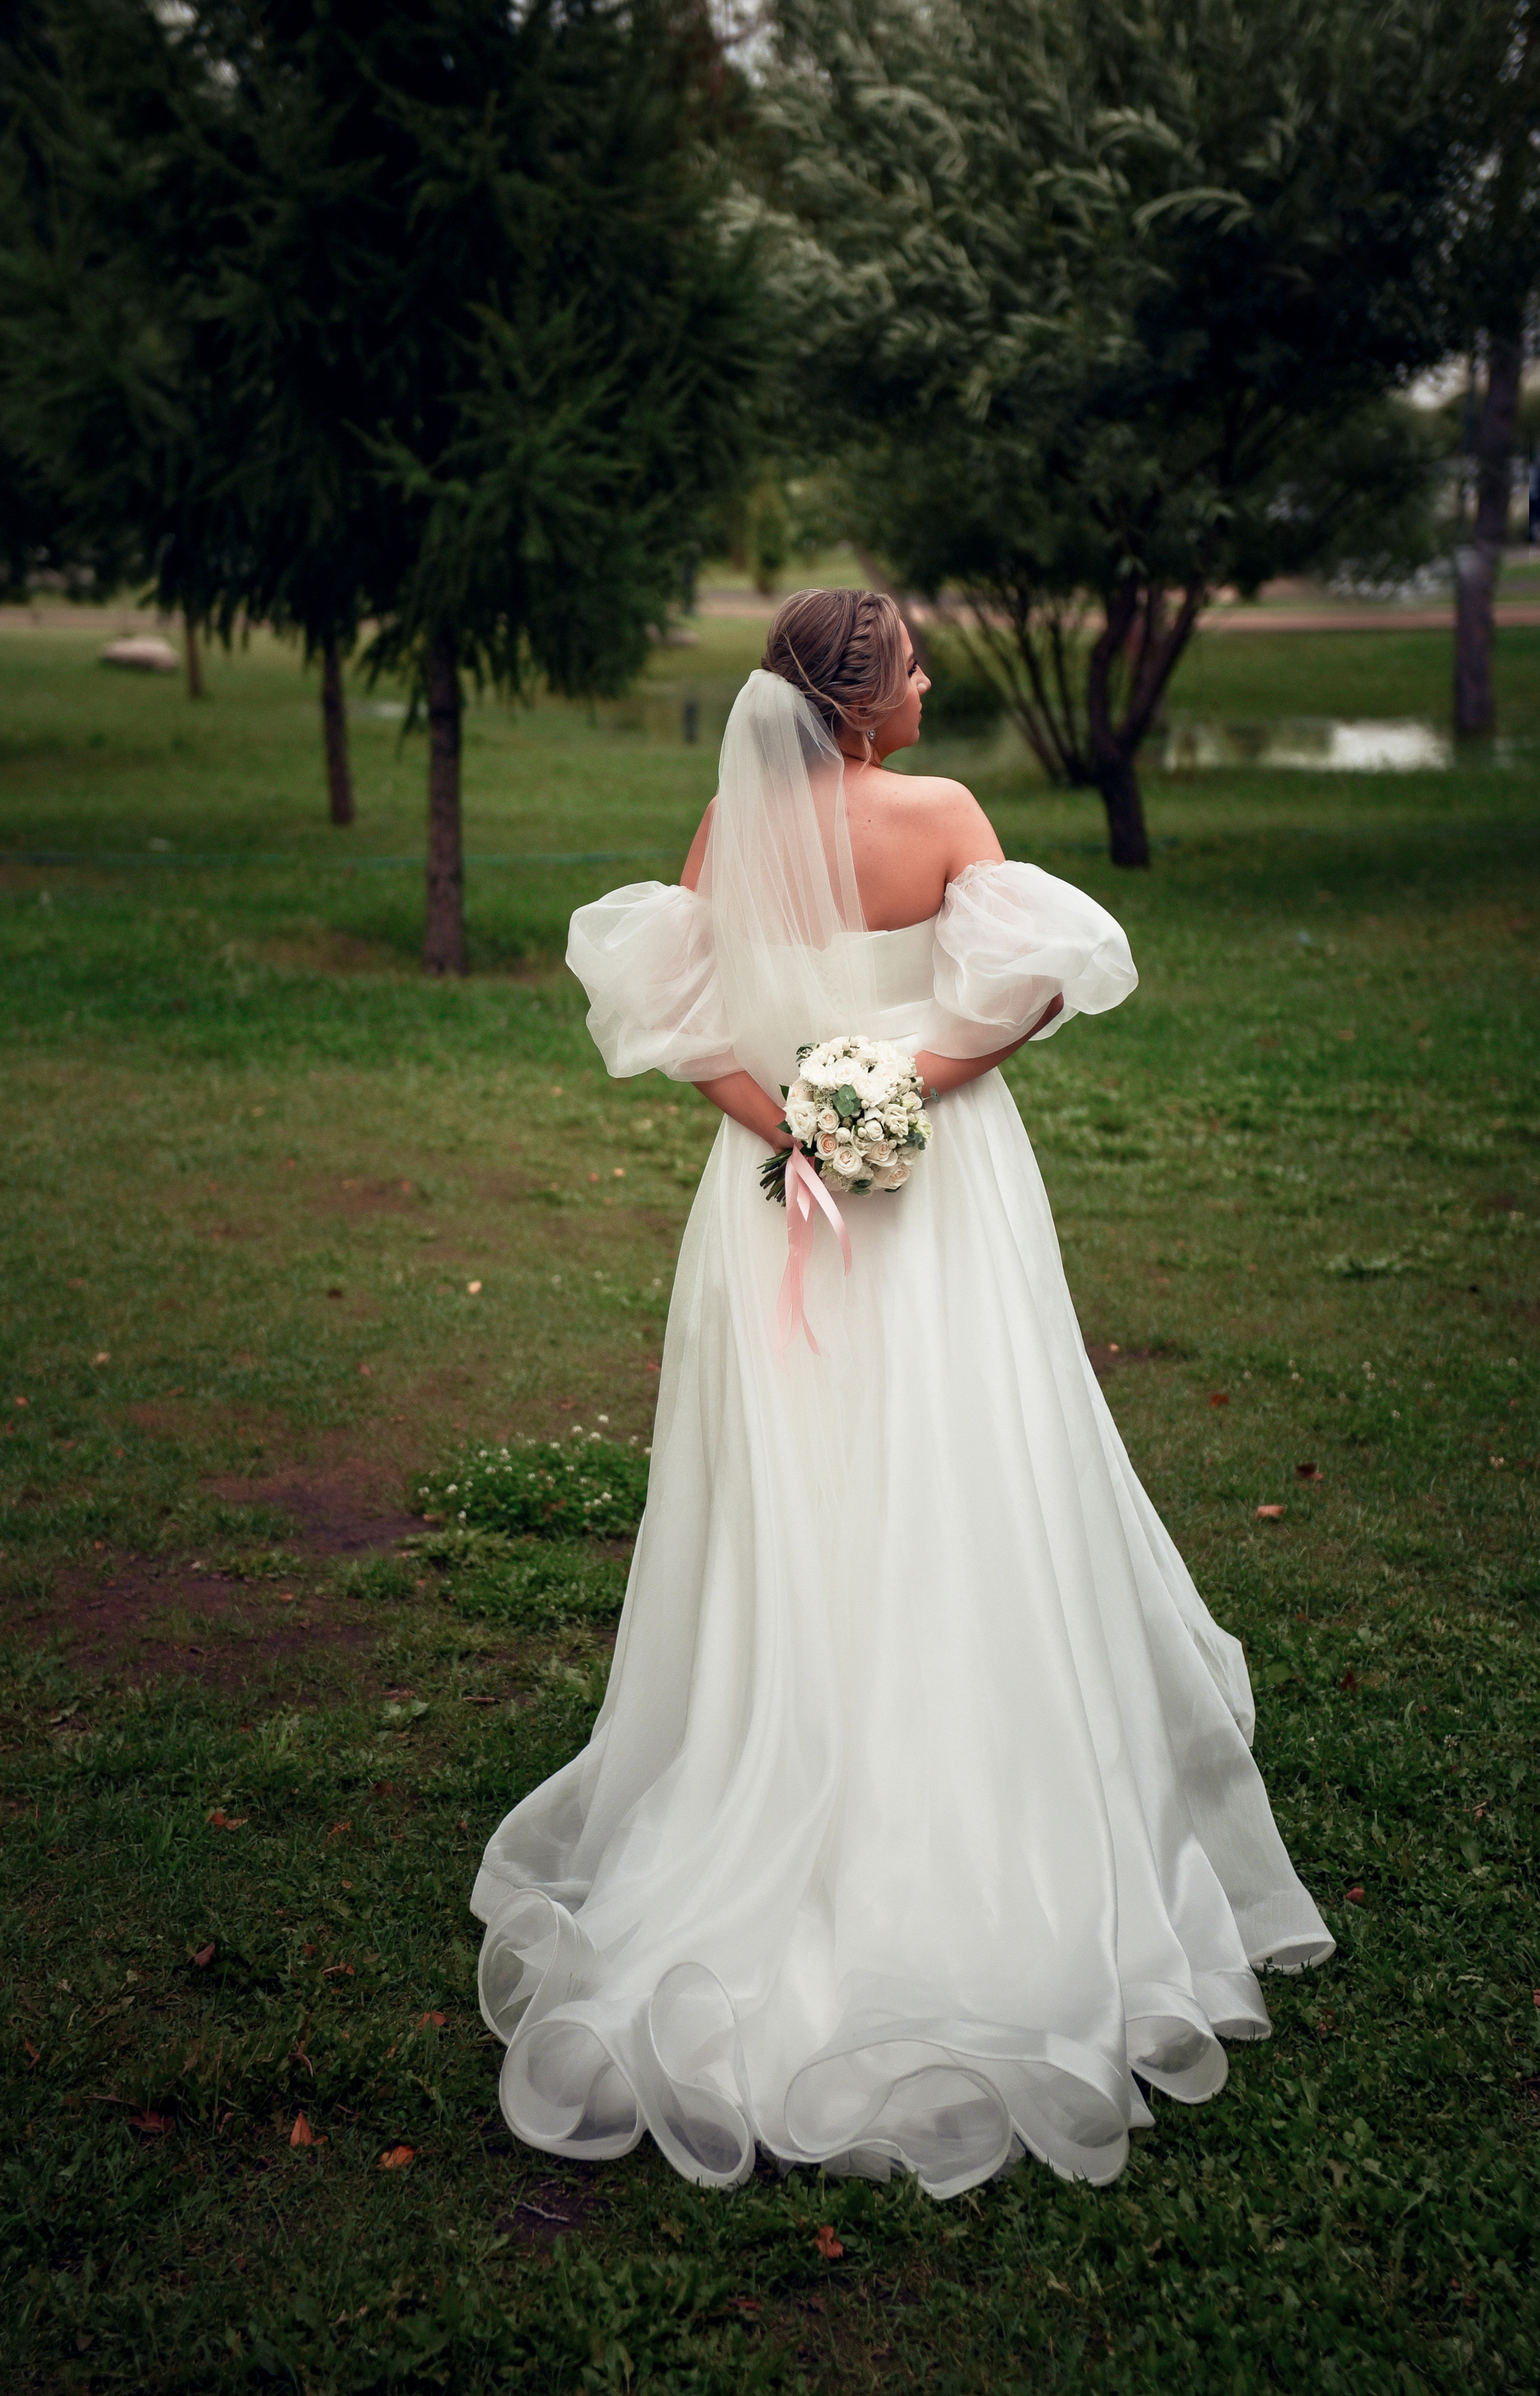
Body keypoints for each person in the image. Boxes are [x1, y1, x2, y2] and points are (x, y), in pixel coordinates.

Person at [470, 588, 1332, 2199]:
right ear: (865, 709)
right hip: (933, 1199)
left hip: (770, 1197)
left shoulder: (734, 823)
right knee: (958, 1465)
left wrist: (797, 1122)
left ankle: (800, 1742)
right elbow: (1025, 994)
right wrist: (893, 1089)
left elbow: (693, 1027)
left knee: (807, 1488)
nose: (935, 682)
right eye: (919, 667)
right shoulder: (937, 814)